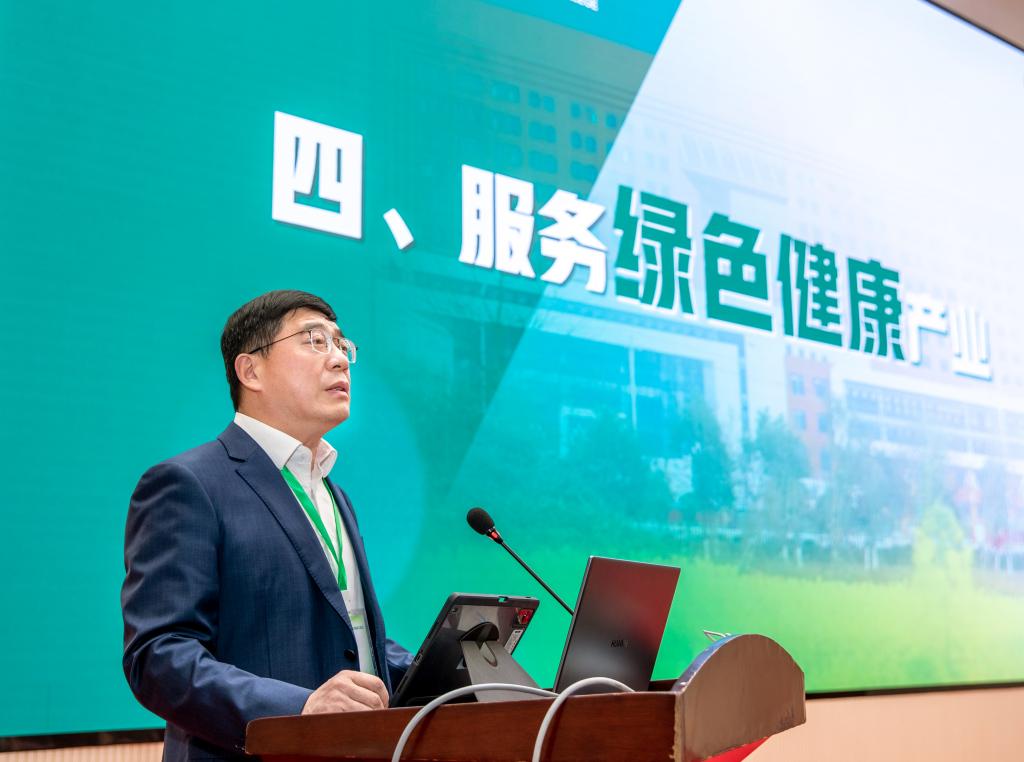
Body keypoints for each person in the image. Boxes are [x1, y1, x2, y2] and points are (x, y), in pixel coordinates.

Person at [121, 290, 411, 762]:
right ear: (250, 371)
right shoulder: (189, 484)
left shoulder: (333, 494)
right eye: (315, 341)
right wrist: (299, 708)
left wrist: (451, 672)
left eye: (342, 344)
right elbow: (159, 656)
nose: (340, 359)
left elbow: (350, 636)